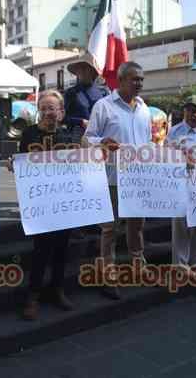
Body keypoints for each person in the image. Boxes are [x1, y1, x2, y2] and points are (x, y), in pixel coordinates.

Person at [84, 61, 152, 300]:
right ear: (120, 80)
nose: (139, 83)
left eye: (141, 79)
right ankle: (108, 273)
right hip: (112, 177)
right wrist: (101, 142)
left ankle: (138, 265)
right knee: (110, 229)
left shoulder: (144, 109)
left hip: (138, 178)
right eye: (135, 79)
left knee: (137, 226)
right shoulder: (103, 106)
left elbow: (148, 142)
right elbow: (87, 139)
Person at [9, 90, 75, 320]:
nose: (48, 112)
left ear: (61, 112)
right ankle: (33, 296)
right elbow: (21, 161)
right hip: (40, 203)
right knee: (41, 252)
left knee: (61, 251)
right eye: (43, 108)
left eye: (52, 108)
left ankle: (57, 290)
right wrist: (14, 164)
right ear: (39, 112)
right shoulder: (29, 134)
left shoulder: (69, 136)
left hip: (64, 203)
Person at [166, 96, 196, 273]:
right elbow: (166, 156)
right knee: (181, 226)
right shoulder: (175, 132)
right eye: (188, 110)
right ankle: (180, 265)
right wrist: (183, 162)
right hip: (181, 184)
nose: (191, 114)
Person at [64, 54, 109, 144]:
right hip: (78, 135)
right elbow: (63, 117)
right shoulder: (71, 92)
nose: (82, 71)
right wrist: (81, 122)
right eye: (80, 69)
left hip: (101, 135)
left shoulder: (104, 92)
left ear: (93, 71)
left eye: (86, 68)